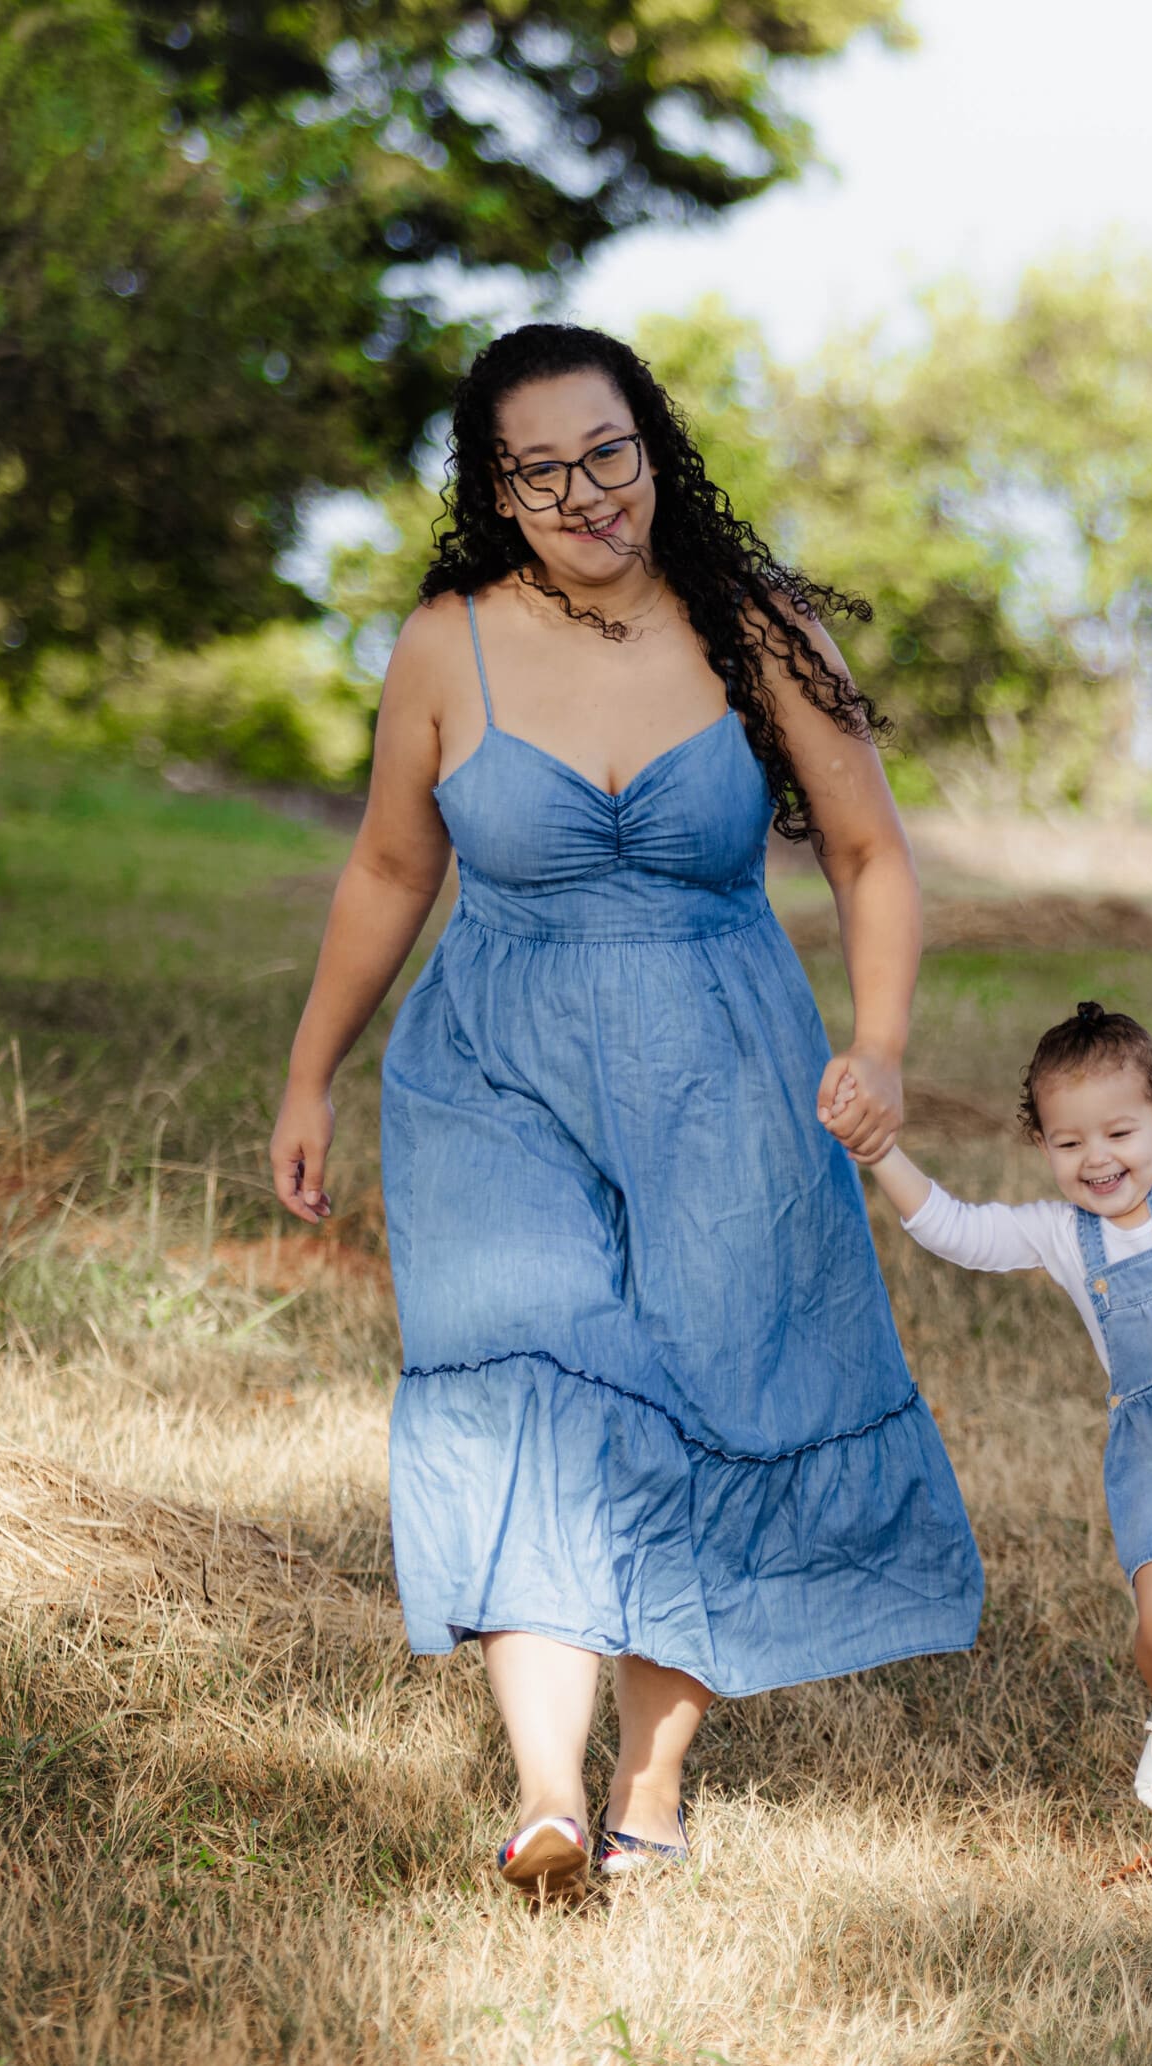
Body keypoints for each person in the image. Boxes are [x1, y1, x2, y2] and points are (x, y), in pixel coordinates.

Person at [269, 322, 983, 1900]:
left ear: (650, 444)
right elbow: (389, 867)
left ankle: (645, 1784)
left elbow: (868, 852)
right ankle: (542, 1794)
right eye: (541, 472)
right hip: (493, 1069)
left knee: (712, 1381)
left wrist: (876, 1046)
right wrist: (312, 1069)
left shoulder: (757, 626)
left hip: (723, 1063)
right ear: (495, 491)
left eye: (609, 453)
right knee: (526, 1379)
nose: (586, 494)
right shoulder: (446, 644)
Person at [858, 887, 1152, 1928]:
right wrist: (880, 1153)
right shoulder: (1058, 1235)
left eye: (1120, 1130)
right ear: (1041, 1144)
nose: (1099, 1158)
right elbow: (954, 1229)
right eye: (1069, 1142)